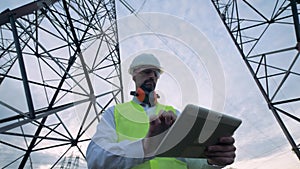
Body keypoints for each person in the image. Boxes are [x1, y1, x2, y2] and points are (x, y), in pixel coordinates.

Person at [86, 53, 236, 169]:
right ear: (134, 75)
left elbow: (192, 163)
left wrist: (212, 161)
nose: (152, 75)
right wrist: (144, 148)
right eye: (147, 71)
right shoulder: (115, 113)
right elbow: (95, 159)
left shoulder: (175, 114)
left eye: (156, 73)